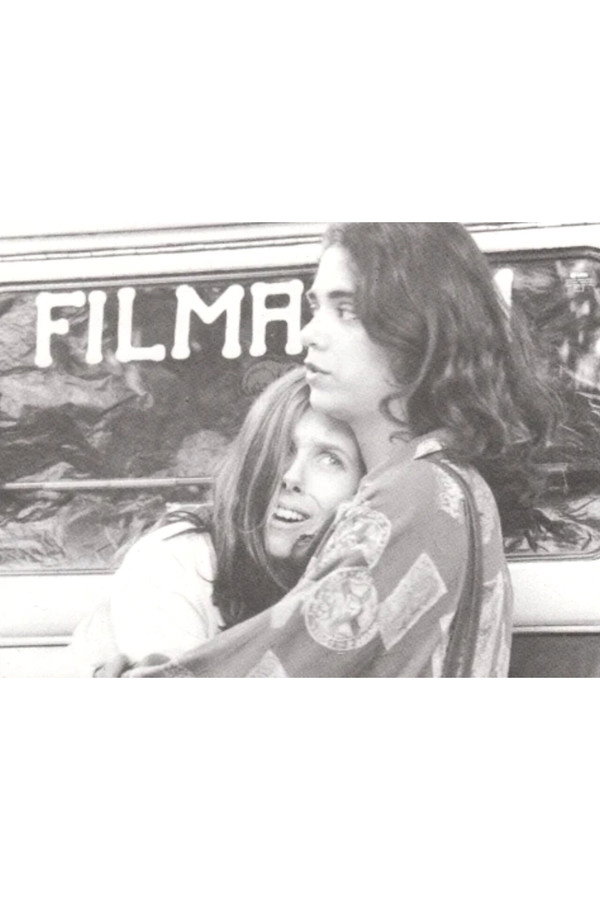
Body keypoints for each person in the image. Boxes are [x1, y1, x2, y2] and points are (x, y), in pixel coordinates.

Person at [98, 223, 562, 678]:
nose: (309, 333)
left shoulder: (413, 494)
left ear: (421, 335)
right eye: (316, 306)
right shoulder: (443, 481)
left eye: (348, 311)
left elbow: (274, 673)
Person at [71, 366, 364, 675]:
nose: (291, 476)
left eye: (330, 459)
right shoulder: (176, 558)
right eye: (282, 448)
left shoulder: (360, 577)